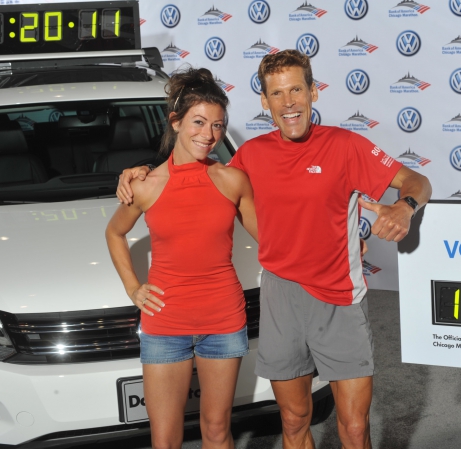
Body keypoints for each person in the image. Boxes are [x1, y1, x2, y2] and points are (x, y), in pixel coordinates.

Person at [117, 50, 432, 449]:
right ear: (265, 102)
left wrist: (404, 207)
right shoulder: (251, 156)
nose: (288, 102)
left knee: (354, 428)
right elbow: (194, 169)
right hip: (282, 298)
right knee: (294, 418)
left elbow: (417, 181)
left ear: (313, 93)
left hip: (339, 299)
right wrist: (139, 169)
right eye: (277, 94)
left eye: (296, 89)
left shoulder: (346, 144)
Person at [106, 66, 257, 449]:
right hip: (165, 324)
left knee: (218, 431)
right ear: (175, 122)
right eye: (199, 122)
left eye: (218, 125)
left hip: (223, 319)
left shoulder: (232, 180)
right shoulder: (145, 184)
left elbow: (274, 239)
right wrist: (133, 288)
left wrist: (339, 238)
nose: (209, 135)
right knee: (165, 440)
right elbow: (114, 232)